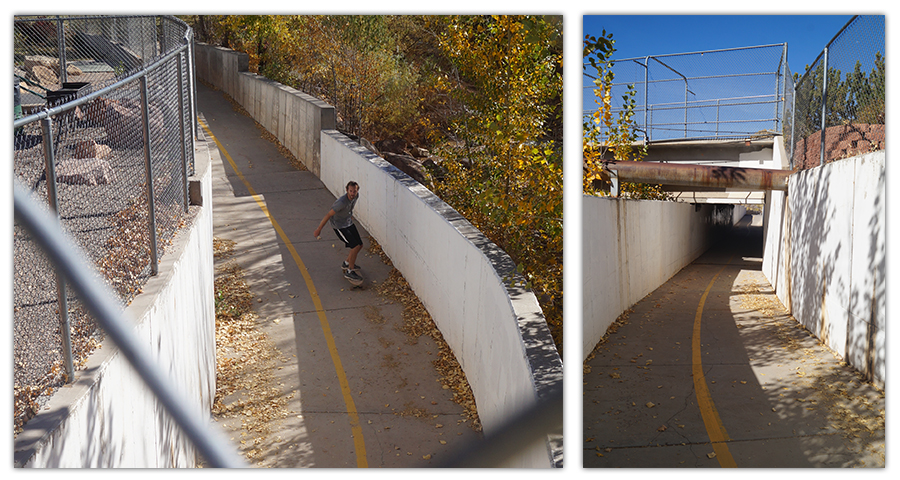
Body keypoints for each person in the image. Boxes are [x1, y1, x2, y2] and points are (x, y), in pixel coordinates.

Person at [314, 181, 363, 283]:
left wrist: (349, 214)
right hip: (339, 226)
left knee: (360, 245)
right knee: (354, 246)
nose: (353, 193)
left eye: (354, 191)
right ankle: (350, 271)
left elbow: (350, 207)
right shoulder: (341, 202)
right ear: (346, 190)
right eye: (350, 191)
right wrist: (319, 229)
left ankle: (346, 263)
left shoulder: (356, 196)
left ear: (357, 190)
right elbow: (328, 215)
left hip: (348, 222)